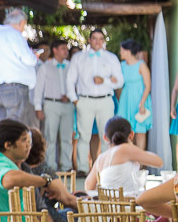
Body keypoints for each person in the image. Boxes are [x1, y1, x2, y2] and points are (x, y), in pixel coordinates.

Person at [88, 116, 173, 222]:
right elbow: (159, 162)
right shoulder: (126, 149)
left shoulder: (102, 157)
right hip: (129, 215)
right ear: (131, 134)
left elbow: (88, 186)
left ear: (105, 138)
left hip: (109, 217)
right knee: (164, 209)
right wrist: (133, 148)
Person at [65, 29, 122, 174]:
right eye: (95, 38)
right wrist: (75, 100)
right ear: (89, 40)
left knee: (107, 136)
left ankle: (106, 169)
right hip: (85, 100)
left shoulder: (111, 58)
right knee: (83, 137)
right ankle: (83, 169)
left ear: (103, 41)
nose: (98, 42)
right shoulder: (78, 57)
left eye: (101, 39)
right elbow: (70, 80)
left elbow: (120, 81)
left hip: (105, 100)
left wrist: (105, 81)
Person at [0, 8, 39, 129]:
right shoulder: (15, 35)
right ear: (21, 23)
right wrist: (34, 56)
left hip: (0, 88)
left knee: (3, 127)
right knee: (15, 128)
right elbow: (29, 59)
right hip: (16, 88)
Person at [33, 40, 74, 173]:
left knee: (67, 137)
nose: (66, 51)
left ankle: (66, 166)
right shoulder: (46, 67)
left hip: (68, 104)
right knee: (50, 137)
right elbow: (39, 88)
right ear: (55, 50)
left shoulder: (71, 66)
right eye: (63, 48)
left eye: (66, 48)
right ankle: (50, 166)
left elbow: (76, 84)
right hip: (51, 103)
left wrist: (71, 96)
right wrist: (38, 107)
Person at [115, 39, 152, 148]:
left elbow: (148, 86)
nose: (120, 52)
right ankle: (130, 157)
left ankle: (140, 159)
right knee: (126, 132)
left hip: (140, 100)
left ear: (128, 51)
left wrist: (142, 103)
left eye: (122, 50)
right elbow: (118, 84)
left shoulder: (141, 65)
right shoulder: (122, 65)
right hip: (126, 101)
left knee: (140, 133)